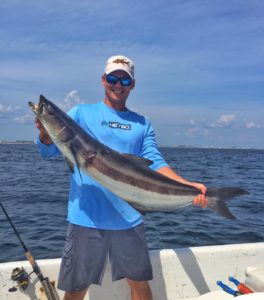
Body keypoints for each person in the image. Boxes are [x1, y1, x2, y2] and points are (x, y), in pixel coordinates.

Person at [35, 55, 208, 300]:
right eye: (113, 78)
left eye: (124, 80)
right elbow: (48, 150)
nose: (118, 84)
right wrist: (44, 133)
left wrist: (186, 186)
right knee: (75, 290)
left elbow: (155, 161)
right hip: (86, 219)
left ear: (132, 85)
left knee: (139, 284)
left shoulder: (141, 123)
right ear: (103, 80)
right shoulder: (80, 113)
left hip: (129, 219)